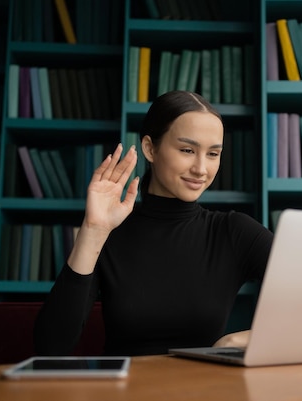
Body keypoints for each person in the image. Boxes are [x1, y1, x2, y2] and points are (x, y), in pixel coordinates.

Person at [34, 90, 274, 356]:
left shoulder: (234, 232)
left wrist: (241, 341)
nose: (201, 168)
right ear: (150, 148)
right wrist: (93, 230)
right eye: (187, 150)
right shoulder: (110, 233)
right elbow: (50, 346)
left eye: (213, 154)